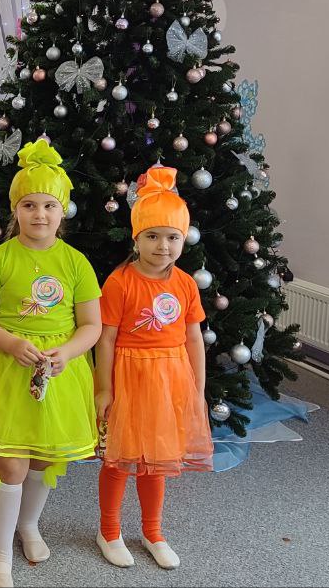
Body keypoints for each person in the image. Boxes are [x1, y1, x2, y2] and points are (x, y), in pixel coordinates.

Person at [0, 141, 103, 588]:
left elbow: (92, 325)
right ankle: (0, 554)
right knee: (11, 466)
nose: (39, 214)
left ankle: (28, 525)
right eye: (29, 205)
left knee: (43, 459)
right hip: (7, 370)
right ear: (15, 210)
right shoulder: (0, 258)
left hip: (58, 375)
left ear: (63, 211)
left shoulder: (76, 263)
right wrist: (11, 342)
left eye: (48, 205)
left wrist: (69, 351)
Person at [94, 165, 213, 570]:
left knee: (157, 457)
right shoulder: (119, 282)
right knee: (120, 459)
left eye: (172, 237)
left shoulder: (186, 284)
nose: (163, 246)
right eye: (152, 236)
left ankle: (153, 530)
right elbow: (105, 339)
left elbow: (193, 338)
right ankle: (109, 530)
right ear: (137, 238)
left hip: (170, 379)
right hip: (130, 377)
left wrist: (197, 387)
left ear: (184, 239)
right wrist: (104, 388)